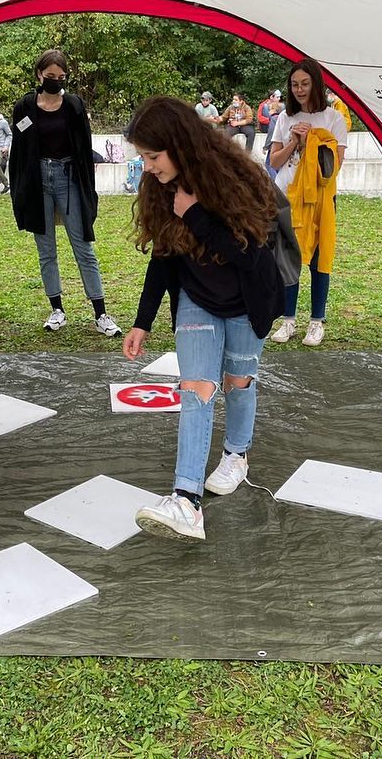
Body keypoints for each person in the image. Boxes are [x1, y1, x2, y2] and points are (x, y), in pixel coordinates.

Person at [123, 96, 284, 541]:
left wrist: (194, 213)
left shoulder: (237, 178)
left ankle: (236, 454)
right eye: (143, 158)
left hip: (249, 301)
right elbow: (163, 258)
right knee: (195, 389)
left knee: (238, 382)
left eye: (153, 156)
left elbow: (250, 256)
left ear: (179, 145)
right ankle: (185, 500)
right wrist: (143, 320)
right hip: (196, 300)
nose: (149, 166)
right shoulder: (159, 188)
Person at [8, 49, 121, 337]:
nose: (56, 81)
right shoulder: (24, 107)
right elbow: (19, 151)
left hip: (68, 177)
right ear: (39, 75)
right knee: (46, 250)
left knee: (83, 247)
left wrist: (87, 190)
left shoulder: (73, 105)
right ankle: (57, 309)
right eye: (50, 76)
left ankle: (101, 313)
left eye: (61, 77)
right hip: (37, 180)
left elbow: (84, 148)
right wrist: (20, 189)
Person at [267, 58, 348, 347]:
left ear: (316, 83)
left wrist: (314, 142)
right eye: (294, 84)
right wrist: (294, 142)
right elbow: (274, 162)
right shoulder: (284, 119)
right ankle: (287, 320)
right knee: (287, 258)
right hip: (285, 197)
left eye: (304, 83)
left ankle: (316, 322)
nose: (299, 89)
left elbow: (334, 166)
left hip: (319, 201)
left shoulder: (333, 118)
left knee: (318, 259)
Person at [217, 92, 256, 156]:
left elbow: (249, 119)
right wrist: (216, 119)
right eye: (233, 99)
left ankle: (247, 154)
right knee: (226, 134)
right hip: (233, 126)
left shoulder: (247, 107)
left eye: (235, 100)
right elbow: (223, 117)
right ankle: (225, 153)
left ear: (241, 101)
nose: (233, 101)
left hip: (244, 125)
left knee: (251, 132)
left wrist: (237, 123)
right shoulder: (230, 107)